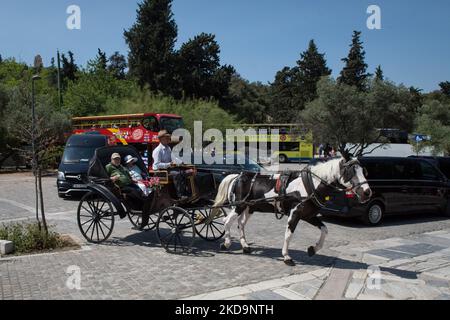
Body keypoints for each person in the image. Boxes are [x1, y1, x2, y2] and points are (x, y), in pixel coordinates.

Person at [152, 130, 189, 200]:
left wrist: (181, 162)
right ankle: (180, 195)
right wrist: (169, 164)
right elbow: (157, 165)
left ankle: (185, 191)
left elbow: (173, 158)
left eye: (168, 137)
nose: (168, 139)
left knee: (183, 172)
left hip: (168, 170)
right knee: (177, 173)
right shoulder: (157, 150)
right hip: (160, 172)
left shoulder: (168, 148)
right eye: (166, 138)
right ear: (162, 139)